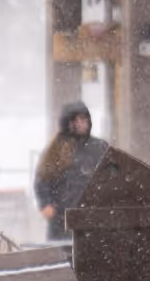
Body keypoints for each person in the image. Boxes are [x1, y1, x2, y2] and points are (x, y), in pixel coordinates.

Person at [34, 100, 102, 242]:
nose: (81, 123)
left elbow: (112, 173)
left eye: (84, 119)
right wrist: (45, 203)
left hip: (92, 216)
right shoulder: (57, 149)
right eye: (76, 120)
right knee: (62, 256)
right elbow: (42, 179)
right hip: (61, 217)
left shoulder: (99, 147)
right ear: (67, 123)